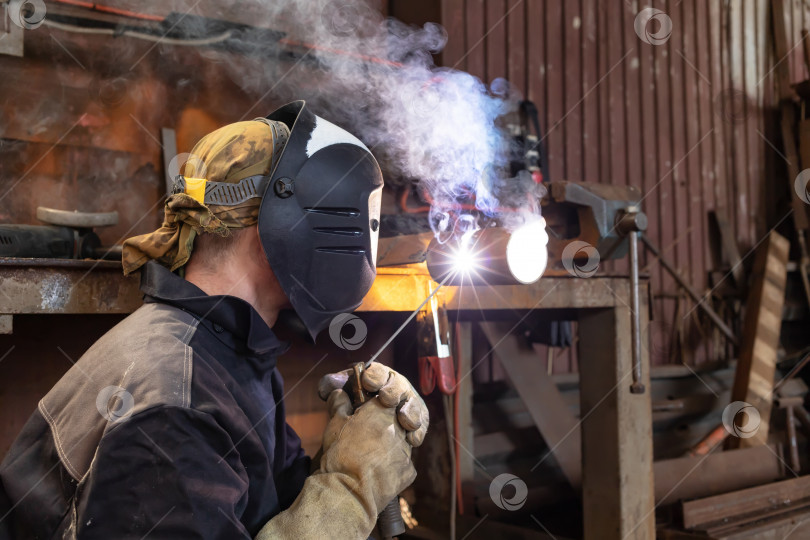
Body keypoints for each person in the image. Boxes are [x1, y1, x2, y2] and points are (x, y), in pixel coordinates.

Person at [0, 101, 428, 539]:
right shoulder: (174, 409)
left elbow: (263, 513)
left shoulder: (224, 353)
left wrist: (348, 454)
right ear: (278, 227)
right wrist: (353, 489)